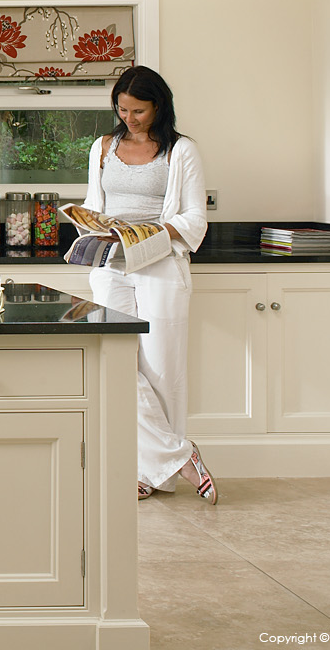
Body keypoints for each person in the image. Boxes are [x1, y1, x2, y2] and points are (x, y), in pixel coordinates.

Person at [83, 65, 218, 504]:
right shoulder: (102, 147)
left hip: (160, 263)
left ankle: (153, 475)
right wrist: (91, 223)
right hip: (111, 263)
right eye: (122, 109)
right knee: (116, 362)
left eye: (138, 110)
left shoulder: (182, 152)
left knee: (163, 371)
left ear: (158, 106)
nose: (129, 118)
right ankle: (181, 455)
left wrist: (150, 234)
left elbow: (194, 219)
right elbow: (94, 204)